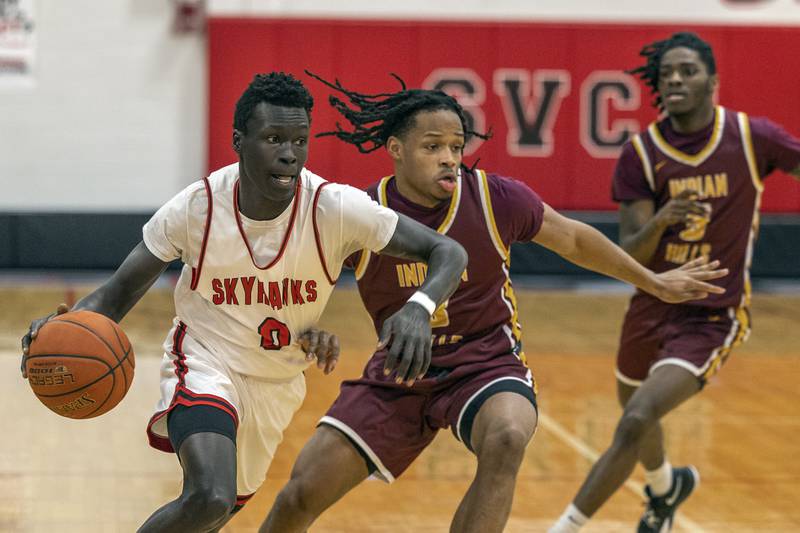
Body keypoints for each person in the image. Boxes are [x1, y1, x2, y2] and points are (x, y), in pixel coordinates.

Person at [259, 72, 728, 533]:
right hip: (400, 373)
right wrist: (306, 328)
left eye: (456, 147)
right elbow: (295, 281)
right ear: (396, 150)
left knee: (506, 436)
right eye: (432, 147)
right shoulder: (364, 213)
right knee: (301, 493)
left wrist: (653, 282)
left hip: (487, 362)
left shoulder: (493, 197)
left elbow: (575, 240)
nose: (449, 159)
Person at [20, 72, 469, 533]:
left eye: (299, 140)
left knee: (212, 514)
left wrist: (418, 306)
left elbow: (448, 252)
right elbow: (115, 297)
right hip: (203, 361)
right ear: (239, 140)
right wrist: (63, 327)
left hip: (276, 384)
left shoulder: (334, 208)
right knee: (209, 496)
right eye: (274, 138)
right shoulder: (196, 209)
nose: (289, 153)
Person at [549, 32, 800, 533]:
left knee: (637, 418)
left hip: (712, 312)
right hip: (651, 305)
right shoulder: (641, 153)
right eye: (667, 75)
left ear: (713, 80)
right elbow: (630, 254)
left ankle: (565, 527)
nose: (677, 80)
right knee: (635, 416)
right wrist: (662, 220)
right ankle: (666, 488)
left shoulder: (752, 137)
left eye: (688, 71)